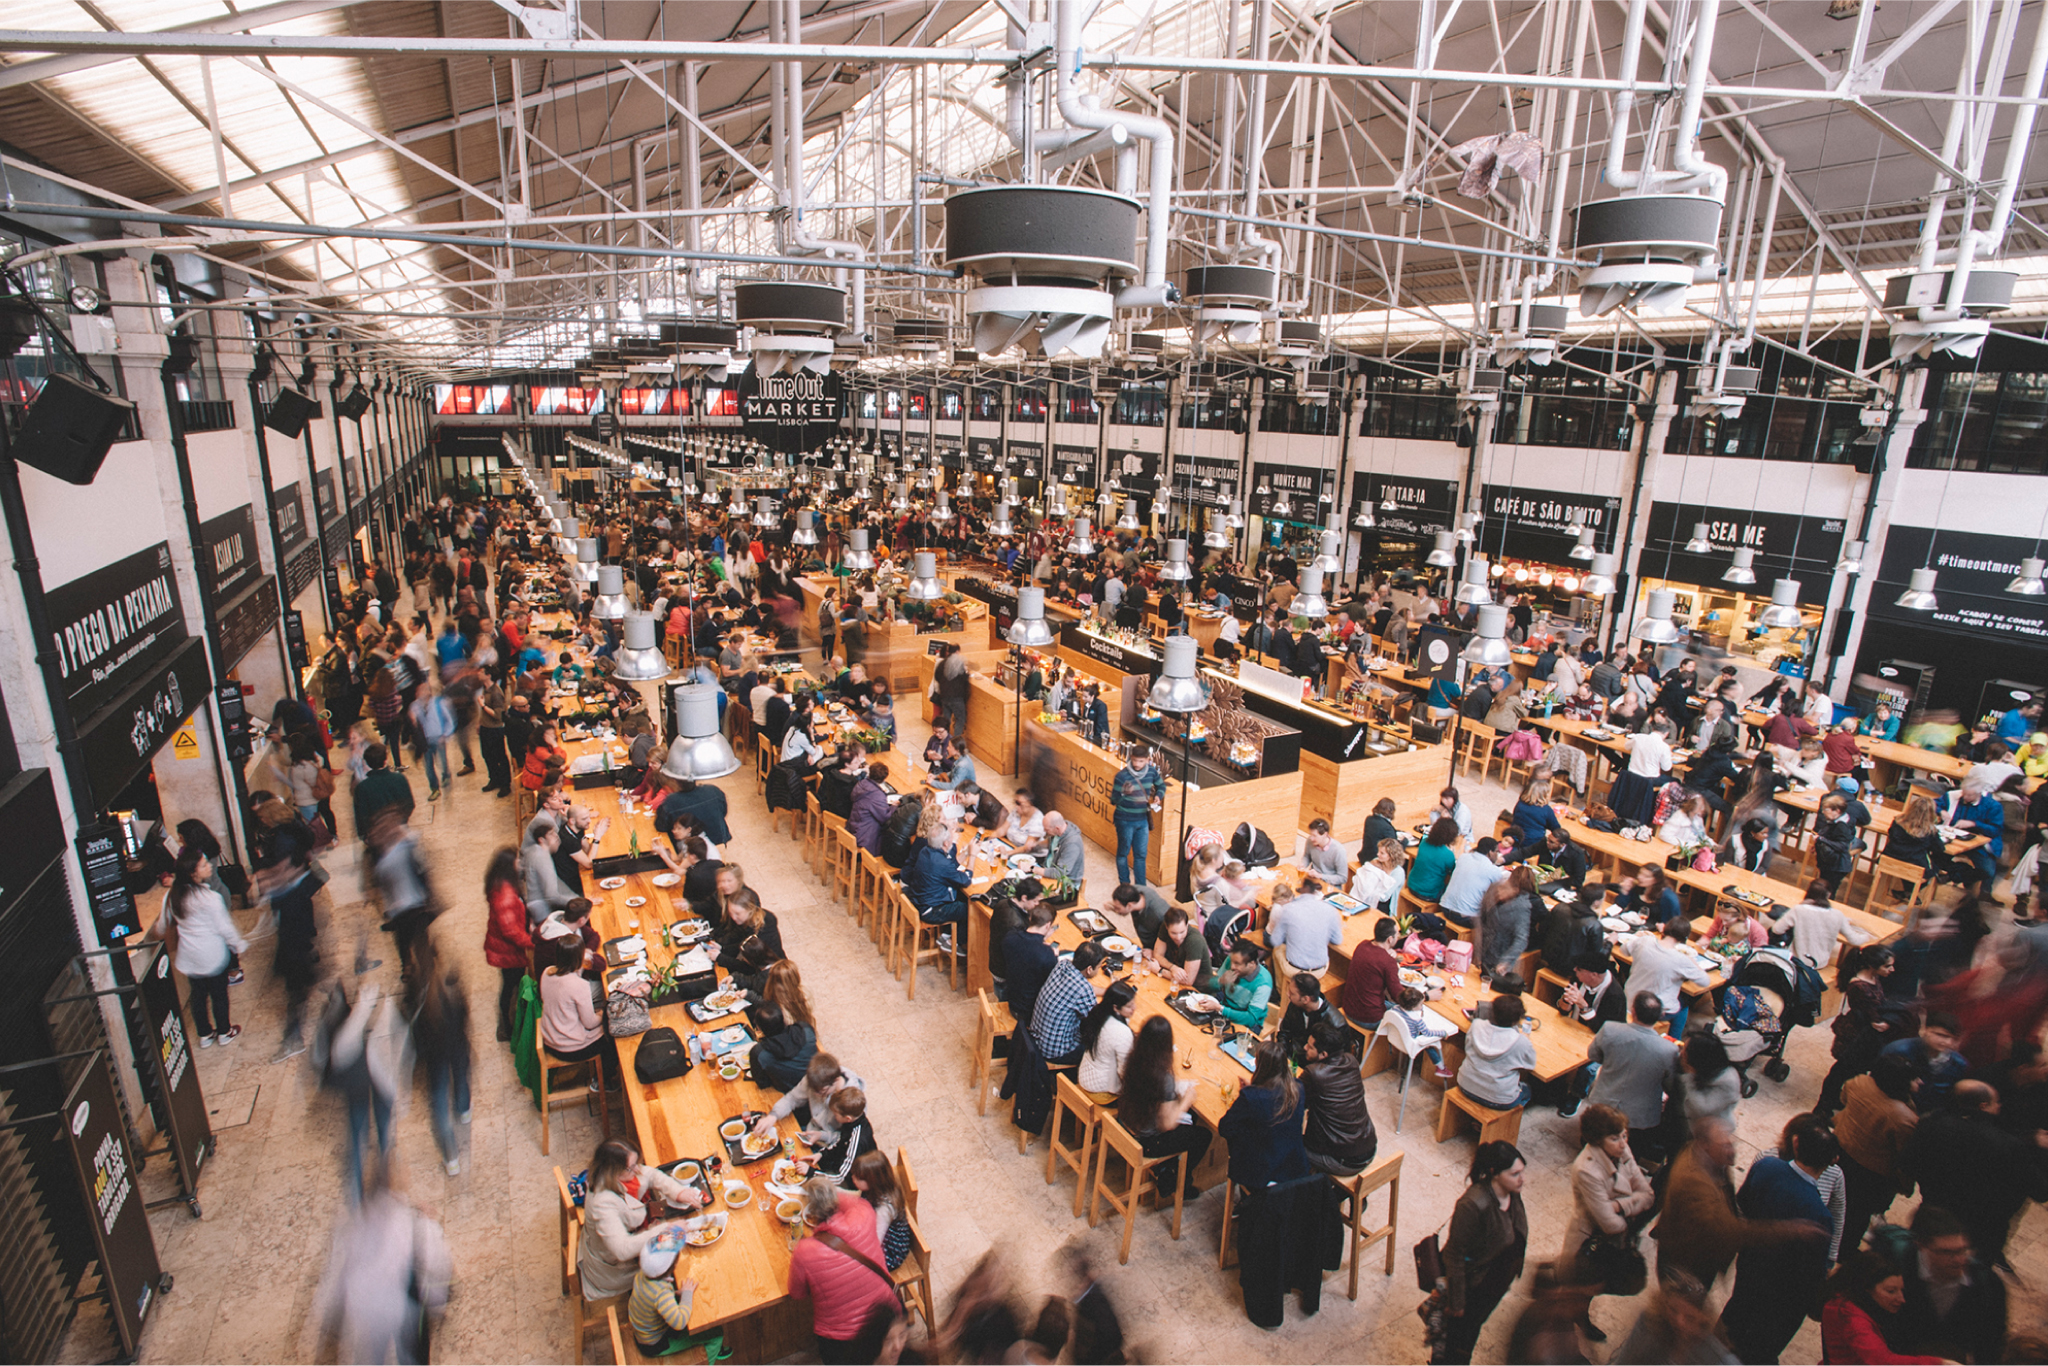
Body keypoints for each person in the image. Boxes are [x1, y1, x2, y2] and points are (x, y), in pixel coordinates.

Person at [1720, 1115, 1840, 1365]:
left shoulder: (1767, 1166)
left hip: (1749, 1265)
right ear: (1833, 1161)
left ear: (1796, 1144)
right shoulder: (1819, 1214)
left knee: (1736, 1316)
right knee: (1759, 1349)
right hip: (1782, 1296)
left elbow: (1742, 1205)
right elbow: (1811, 1273)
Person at [312, 1153, 452, 1366]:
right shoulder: (413, 1221)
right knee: (411, 1356)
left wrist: (332, 1321)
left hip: (367, 1312)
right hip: (402, 1311)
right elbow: (435, 1264)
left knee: (372, 1355)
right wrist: (437, 1303)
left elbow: (340, 1275)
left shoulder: (357, 1223)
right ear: (403, 1183)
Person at [1906, 1079, 2048, 1266]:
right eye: (1996, 1102)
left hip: (1932, 1215)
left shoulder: (1931, 1123)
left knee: (1916, 1264)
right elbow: (2041, 1191)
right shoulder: (2010, 1146)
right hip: (1981, 1231)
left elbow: (1909, 1164)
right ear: (1983, 1106)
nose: (2000, 1105)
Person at [1560, 1103, 1655, 1344]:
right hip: (1589, 1240)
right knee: (1580, 1287)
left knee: (1593, 1286)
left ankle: (1578, 1316)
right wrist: (1631, 1204)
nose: (1623, 1143)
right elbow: (1611, 1224)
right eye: (1615, 1138)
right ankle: (1571, 1325)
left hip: (1613, 1239)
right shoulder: (1587, 1169)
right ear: (1597, 1140)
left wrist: (1618, 1205)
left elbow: (1648, 1194)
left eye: (1624, 1135)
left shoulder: (1621, 1150)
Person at [787, 1177, 900, 1364]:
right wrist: (827, 1192)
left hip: (842, 1339)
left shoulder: (804, 1251)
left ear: (811, 1213)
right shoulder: (864, 1212)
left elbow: (796, 1293)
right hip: (885, 1315)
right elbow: (853, 1201)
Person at [1433, 1141, 1528, 1365]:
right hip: (1472, 1286)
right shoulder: (1472, 1204)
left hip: (1493, 1281)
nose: (1522, 1179)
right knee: (1456, 1341)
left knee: (1471, 1331)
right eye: (1515, 1174)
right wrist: (1457, 1302)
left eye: (1522, 1172)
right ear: (1495, 1172)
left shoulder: (1512, 1192)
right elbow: (1454, 1254)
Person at [577, 1139, 705, 1299]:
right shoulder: (602, 1204)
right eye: (631, 1167)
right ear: (614, 1171)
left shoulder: (616, 1174)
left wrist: (678, 1192)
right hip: (614, 1268)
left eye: (636, 1163)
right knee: (673, 1263)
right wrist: (667, 1229)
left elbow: (651, 1175)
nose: (637, 1169)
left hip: (625, 1240)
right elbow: (623, 1250)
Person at [1897, 1203, 2008, 1364]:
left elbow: (1991, 1344)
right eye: (1946, 1252)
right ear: (1921, 1246)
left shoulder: (1988, 1285)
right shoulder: (1899, 1268)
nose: (1958, 1260)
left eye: (1962, 1250)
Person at [159, 846, 248, 1046]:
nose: (209, 866)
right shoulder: (210, 898)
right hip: (212, 955)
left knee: (198, 996)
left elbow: (161, 926)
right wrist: (239, 945)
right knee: (219, 995)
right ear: (193, 873)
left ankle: (205, 1035)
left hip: (190, 956)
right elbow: (225, 928)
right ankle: (224, 1032)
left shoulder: (172, 896)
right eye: (204, 865)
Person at [1834, 1052, 1921, 1257]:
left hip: (1841, 1148)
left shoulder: (1859, 1082)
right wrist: (1905, 1185)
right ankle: (1845, 1250)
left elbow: (1843, 1098)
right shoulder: (1903, 1118)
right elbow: (1904, 1154)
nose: (1920, 1082)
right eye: (1914, 1078)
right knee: (1857, 1215)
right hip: (1870, 1173)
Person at [1115, 1016, 1209, 1196]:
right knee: (1203, 1136)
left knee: (1192, 1118)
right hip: (1146, 1141)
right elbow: (1166, 1125)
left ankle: (1167, 1167)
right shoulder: (1163, 1077)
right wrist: (1186, 1100)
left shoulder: (1132, 1058)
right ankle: (1173, 1180)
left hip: (1126, 1122)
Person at [1586, 993, 1679, 1159]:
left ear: (1633, 1011)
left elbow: (1593, 1055)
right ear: (1660, 1016)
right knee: (1630, 1156)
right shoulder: (1669, 1050)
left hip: (1604, 1102)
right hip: (1639, 1118)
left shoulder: (1610, 1029)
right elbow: (1670, 1085)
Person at [411, 940, 472, 1176]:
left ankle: (451, 1157)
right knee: (461, 1076)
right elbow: (465, 1016)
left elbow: (415, 1036)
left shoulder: (419, 998)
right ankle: (463, 1109)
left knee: (438, 1103)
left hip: (434, 1058)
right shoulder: (453, 985)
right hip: (457, 1046)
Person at [1217, 1039, 1312, 1190]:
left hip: (1262, 1173)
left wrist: (1249, 1094)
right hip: (1293, 1166)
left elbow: (1224, 1128)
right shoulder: (1298, 1088)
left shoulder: (1251, 1097)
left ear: (1260, 1066)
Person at [1820, 1250, 1944, 1366]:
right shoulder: (1852, 1318)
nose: (1901, 1299)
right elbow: (1882, 1361)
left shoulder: (1845, 1302)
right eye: (1891, 1291)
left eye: (1901, 1290)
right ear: (1867, 1289)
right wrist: (1938, 1363)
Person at [1300, 1022, 1377, 1177]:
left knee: (1284, 1144)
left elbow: (1294, 1104)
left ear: (1323, 1054)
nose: (1305, 1048)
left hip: (1342, 1160)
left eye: (1310, 1047)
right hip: (1368, 1148)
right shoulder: (1351, 1061)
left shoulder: (1314, 1073)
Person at [1610, 1270, 1733, 1366]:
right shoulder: (1650, 1323)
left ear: (1703, 1320)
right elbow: (1625, 1361)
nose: (1679, 1322)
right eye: (1673, 1310)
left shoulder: (1716, 1356)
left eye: (1689, 1318)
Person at [1623, 919, 1711, 1034]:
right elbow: (1705, 981)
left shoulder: (1645, 940)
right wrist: (1694, 963)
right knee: (1684, 1003)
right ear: (1684, 938)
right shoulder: (1681, 959)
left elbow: (1624, 950)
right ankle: (1674, 1038)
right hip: (1652, 1008)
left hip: (1629, 997)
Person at [1030, 940, 1109, 1066]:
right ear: (1089, 969)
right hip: (1056, 1052)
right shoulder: (1083, 989)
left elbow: (1083, 988)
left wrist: (1108, 991)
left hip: (1037, 1037)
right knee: (1102, 1047)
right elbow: (1097, 1021)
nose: (1099, 970)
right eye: (1099, 967)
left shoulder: (1063, 965)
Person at [1456, 992, 1536, 1111]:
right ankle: (1507, 1118)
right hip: (1500, 1099)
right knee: (1528, 1089)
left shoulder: (1476, 1024)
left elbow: (1467, 1047)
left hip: (1465, 1084)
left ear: (1491, 1012)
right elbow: (1530, 1066)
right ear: (1517, 1020)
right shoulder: (1521, 1042)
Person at [1771, 878, 1874, 970]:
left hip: (1797, 960)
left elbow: (1777, 929)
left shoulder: (1798, 910)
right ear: (1829, 894)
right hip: (1821, 963)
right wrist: (1868, 936)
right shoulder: (1837, 915)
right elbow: (1854, 940)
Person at [538, 936, 609, 1070]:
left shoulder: (547, 972)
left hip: (550, 1038)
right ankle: (604, 1077)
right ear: (580, 957)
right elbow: (590, 1023)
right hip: (571, 1048)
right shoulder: (579, 985)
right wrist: (602, 1014)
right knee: (611, 1030)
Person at [628, 1238, 705, 1359]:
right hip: (654, 1344)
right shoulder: (661, 1293)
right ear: (674, 1266)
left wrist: (674, 1293)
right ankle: (717, 1353)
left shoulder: (642, 1274)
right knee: (715, 1334)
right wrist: (687, 1294)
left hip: (642, 1330)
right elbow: (680, 1322)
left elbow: (652, 1296)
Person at [1266, 874, 1344, 986]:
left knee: (1277, 949)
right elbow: (1337, 940)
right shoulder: (1331, 910)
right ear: (1316, 892)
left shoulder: (1288, 909)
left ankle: (1279, 990)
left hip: (1293, 969)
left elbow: (1275, 940)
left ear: (1301, 890)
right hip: (1319, 970)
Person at [706, 887, 784, 992]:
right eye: (731, 913)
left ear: (750, 909)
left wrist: (720, 957)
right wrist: (722, 948)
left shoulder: (760, 936)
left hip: (771, 980)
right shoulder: (748, 920)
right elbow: (741, 944)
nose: (733, 917)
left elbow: (748, 967)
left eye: (737, 913)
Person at [1109, 746, 1165, 887]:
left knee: (1141, 855)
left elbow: (1161, 786)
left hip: (1142, 820)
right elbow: (1113, 800)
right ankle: (1125, 886)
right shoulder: (1121, 776)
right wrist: (1124, 793)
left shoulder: (1151, 772)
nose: (1137, 764)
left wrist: (1158, 796)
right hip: (1124, 820)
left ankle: (1141, 888)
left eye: (1140, 761)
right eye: (1134, 760)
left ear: (1147, 760)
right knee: (1123, 853)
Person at [802, 1087, 878, 1189]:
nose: (834, 1116)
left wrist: (811, 1172)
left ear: (847, 1118)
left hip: (854, 1182)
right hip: (842, 1165)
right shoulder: (853, 1122)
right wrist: (821, 1154)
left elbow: (841, 1178)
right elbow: (840, 1144)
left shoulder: (857, 1140)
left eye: (835, 1114)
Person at [1076, 980, 1138, 1101]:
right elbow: (1125, 1072)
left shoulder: (1099, 1013)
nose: (1134, 1008)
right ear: (1116, 1008)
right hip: (1101, 1089)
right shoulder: (1121, 1032)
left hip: (1086, 1075)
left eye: (1134, 1003)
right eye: (1129, 1006)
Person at [1476, 864, 1539, 978]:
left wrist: (1505, 961)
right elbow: (1482, 916)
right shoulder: (1497, 889)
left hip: (1496, 958)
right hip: (1486, 951)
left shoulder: (1521, 907)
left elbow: (1521, 939)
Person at [1341, 916, 1402, 1029]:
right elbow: (1398, 996)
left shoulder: (1362, 945)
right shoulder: (1388, 962)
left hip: (1348, 1007)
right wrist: (1426, 996)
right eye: (1397, 934)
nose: (1398, 936)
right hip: (1369, 1018)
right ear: (1390, 939)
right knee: (1407, 1013)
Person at [1274, 973, 1348, 1065]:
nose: (1288, 994)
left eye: (1292, 993)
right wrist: (1282, 1056)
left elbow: (1336, 1060)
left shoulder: (1337, 1024)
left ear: (1305, 999)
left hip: (1316, 1068)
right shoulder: (1295, 1005)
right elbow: (1284, 1033)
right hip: (1293, 1056)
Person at [1681, 1031, 1741, 1137]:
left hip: (1710, 1133)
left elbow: (1701, 1109)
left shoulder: (1728, 1080)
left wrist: (1690, 1075)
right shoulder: (1704, 1071)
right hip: (1691, 1123)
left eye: (1685, 1053)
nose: (1681, 1054)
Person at [1439, 836, 1509, 926]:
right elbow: (1500, 892)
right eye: (1497, 852)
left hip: (1445, 907)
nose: (1497, 855)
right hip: (1466, 917)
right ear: (1490, 852)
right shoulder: (1493, 870)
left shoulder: (1463, 857)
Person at [1144, 906, 1212, 988]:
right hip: (1176, 980)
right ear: (1167, 927)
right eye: (1173, 933)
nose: (1178, 937)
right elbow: (1158, 954)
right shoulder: (1164, 928)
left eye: (1182, 932)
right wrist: (1173, 968)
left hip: (1198, 988)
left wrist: (1159, 970)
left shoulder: (1195, 941)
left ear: (1187, 925)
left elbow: (1188, 980)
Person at [1214, 939, 1274, 1029]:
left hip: (1246, 1021)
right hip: (1225, 1006)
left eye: (1237, 964)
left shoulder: (1263, 983)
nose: (1232, 966)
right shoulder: (1233, 959)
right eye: (1232, 961)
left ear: (1251, 964)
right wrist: (1220, 981)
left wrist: (1221, 1009)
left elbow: (1251, 1019)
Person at [1509, 777, 1564, 860]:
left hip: (1516, 838)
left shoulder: (1520, 804)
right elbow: (1556, 828)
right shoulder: (1546, 810)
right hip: (1533, 842)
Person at [1409, 818, 1461, 903]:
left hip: (1412, 884)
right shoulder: (1448, 854)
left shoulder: (1424, 842)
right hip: (1429, 893)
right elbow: (1452, 872)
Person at [1042, 810, 1085, 886]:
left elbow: (1060, 873)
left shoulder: (1072, 843)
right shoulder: (1059, 831)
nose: (1044, 831)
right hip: (1049, 869)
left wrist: (1033, 869)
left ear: (1057, 828)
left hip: (1065, 883)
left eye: (1047, 830)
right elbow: (1051, 845)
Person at [1301, 819, 1349, 883]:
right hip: (1313, 879)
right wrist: (1303, 864)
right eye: (1310, 834)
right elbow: (1307, 856)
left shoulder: (1339, 851)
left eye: (1314, 836)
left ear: (1325, 834)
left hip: (1330, 884)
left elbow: (1343, 878)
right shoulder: (1310, 841)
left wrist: (1320, 876)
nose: (1311, 838)